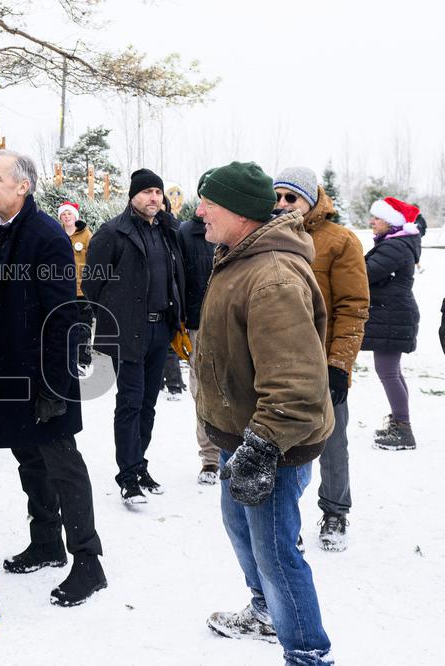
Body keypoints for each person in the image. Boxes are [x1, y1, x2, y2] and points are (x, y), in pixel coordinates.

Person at [194, 161, 334, 665]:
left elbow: (296, 386)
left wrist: (261, 450)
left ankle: (308, 653)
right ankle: (265, 613)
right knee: (240, 529)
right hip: (242, 435)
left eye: (208, 201)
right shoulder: (239, 256)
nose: (199, 210)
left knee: (276, 554)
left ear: (239, 211)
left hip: (274, 444)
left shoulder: (271, 276)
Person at [0, 149, 106, 607]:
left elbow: (63, 313)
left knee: (63, 464)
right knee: (30, 462)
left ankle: (88, 561)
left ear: (22, 187)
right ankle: (47, 542)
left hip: (44, 377)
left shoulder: (45, 234)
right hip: (10, 372)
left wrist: (53, 385)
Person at [274, 167, 369, 552]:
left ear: (312, 199)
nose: (281, 205)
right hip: (280, 362)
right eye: (277, 197)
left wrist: (339, 365)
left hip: (323, 362)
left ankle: (335, 510)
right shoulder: (272, 237)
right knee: (283, 445)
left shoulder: (340, 241)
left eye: (290, 197)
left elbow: (353, 307)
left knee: (331, 441)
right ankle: (286, 519)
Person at [83, 168, 186, 504]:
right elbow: (93, 284)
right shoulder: (113, 232)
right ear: (132, 196)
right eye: (146, 192)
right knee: (130, 402)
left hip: (160, 329)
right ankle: (128, 478)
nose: (153, 198)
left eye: (158, 192)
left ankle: (140, 465)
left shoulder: (167, 232)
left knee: (148, 403)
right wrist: (115, 317)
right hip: (128, 331)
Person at [362, 197, 422, 450]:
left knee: (387, 371)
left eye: (376, 218)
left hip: (392, 315)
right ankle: (401, 422)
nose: (371, 222)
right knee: (392, 371)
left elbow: (364, 273)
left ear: (390, 222)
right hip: (394, 314)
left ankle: (403, 429)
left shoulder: (394, 247)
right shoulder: (396, 243)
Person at [177, 171, 220, 485]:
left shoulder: (235, 233)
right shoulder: (185, 233)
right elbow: (176, 278)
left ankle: (236, 452)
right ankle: (210, 459)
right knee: (201, 392)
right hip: (196, 324)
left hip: (232, 324)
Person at [58, 201, 95, 374]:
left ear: (75, 217)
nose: (66, 217)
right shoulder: (57, 234)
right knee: (65, 325)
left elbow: (95, 258)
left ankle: (83, 361)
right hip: (63, 289)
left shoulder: (86, 235)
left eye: (69, 214)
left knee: (83, 327)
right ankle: (67, 359)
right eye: (63, 214)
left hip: (82, 290)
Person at [158, 196, 186, 401]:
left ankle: (175, 384)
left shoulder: (176, 229)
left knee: (169, 346)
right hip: (153, 296)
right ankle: (158, 383)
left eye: (162, 205)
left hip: (172, 294)